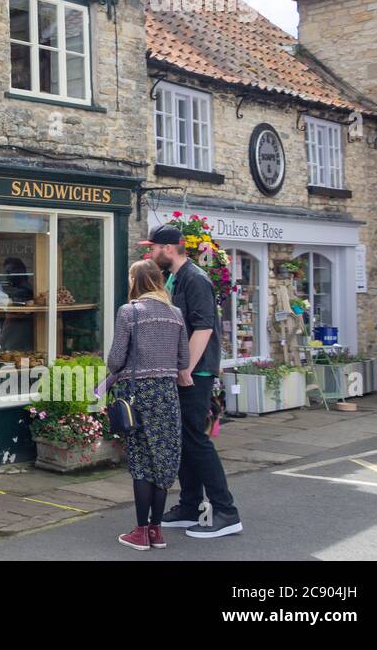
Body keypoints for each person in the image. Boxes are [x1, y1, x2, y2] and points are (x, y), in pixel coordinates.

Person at [142, 223, 243, 539]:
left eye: (153, 248)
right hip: (181, 372)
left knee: (196, 440)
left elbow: (204, 328)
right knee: (183, 438)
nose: (150, 253)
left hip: (195, 374)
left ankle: (226, 511)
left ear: (168, 249)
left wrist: (186, 367)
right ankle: (189, 506)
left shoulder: (196, 279)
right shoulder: (174, 276)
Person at [107, 259, 191, 551]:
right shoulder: (176, 314)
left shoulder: (129, 312)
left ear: (136, 281)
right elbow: (184, 361)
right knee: (163, 461)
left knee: (141, 462)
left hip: (139, 395)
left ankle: (140, 532)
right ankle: (157, 530)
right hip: (167, 394)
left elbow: (116, 360)